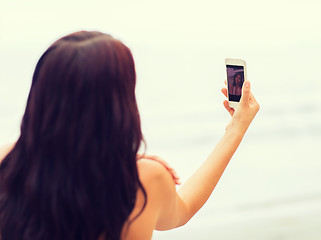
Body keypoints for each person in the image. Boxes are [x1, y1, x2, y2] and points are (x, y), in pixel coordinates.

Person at [0, 31, 259, 240]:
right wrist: (236, 129)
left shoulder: (8, 164)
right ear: (118, 104)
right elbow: (185, 207)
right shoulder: (141, 181)